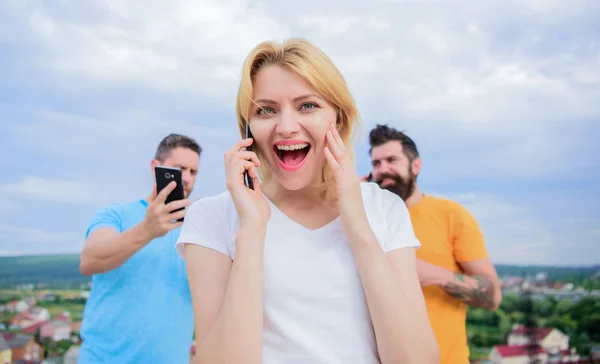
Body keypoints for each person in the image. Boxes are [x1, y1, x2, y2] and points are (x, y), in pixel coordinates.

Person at [175, 38, 439, 364]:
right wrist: (252, 230)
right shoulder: (213, 217)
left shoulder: (384, 209)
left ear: (338, 120)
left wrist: (358, 226)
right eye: (266, 110)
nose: (286, 127)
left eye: (307, 106)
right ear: (248, 128)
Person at [366, 124, 502, 364]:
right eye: (376, 164)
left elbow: (492, 296)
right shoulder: (363, 219)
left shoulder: (451, 215)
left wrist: (431, 274)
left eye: (391, 160)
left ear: (415, 165)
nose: (383, 169)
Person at [78, 133, 202, 363]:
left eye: (193, 172)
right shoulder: (116, 215)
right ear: (156, 167)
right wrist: (147, 230)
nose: (186, 178)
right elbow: (89, 260)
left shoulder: (200, 230)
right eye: (179, 169)